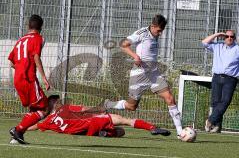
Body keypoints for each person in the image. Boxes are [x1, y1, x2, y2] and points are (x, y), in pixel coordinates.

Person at [103, 14, 183, 138]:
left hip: (154, 74)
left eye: (162, 31)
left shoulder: (154, 34)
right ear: (153, 26)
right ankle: (108, 104)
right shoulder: (142, 33)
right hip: (139, 75)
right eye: (159, 30)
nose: (160, 33)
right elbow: (123, 44)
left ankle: (180, 132)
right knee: (131, 106)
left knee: (170, 98)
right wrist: (135, 56)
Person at [25, 95, 171, 140]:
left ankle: (105, 133)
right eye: (56, 101)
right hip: (92, 122)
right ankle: (152, 128)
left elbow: (35, 126)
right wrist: (99, 109)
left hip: (85, 132)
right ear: (52, 104)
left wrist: (20, 129)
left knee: (120, 132)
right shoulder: (64, 108)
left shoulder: (49, 122)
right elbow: (83, 109)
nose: (59, 102)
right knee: (123, 119)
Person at [8, 14, 50, 144]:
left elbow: (11, 63)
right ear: (41, 27)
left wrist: (21, 68)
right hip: (28, 79)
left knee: (34, 109)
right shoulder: (37, 38)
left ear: (28, 26)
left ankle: (17, 136)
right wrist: (44, 77)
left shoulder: (20, 40)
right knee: (44, 108)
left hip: (18, 79)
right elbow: (36, 57)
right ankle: (18, 130)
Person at [202, 30, 239, 133]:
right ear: (224, 37)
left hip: (230, 79)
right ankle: (216, 126)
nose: (229, 38)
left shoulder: (237, 49)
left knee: (225, 101)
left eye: (232, 37)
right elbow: (204, 43)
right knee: (215, 102)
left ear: (234, 38)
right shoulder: (217, 46)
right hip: (217, 77)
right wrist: (217, 34)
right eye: (227, 36)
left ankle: (210, 120)